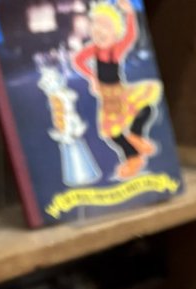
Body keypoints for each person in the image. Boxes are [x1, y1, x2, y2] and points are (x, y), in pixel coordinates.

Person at [71, 0, 163, 181]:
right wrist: (93, 76)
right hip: (107, 100)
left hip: (121, 93)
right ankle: (133, 157)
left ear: (114, 31)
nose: (98, 30)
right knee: (111, 133)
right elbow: (78, 60)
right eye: (95, 25)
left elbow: (130, 36)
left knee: (147, 108)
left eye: (104, 26)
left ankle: (136, 136)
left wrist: (129, 13)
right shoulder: (94, 50)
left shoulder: (116, 50)